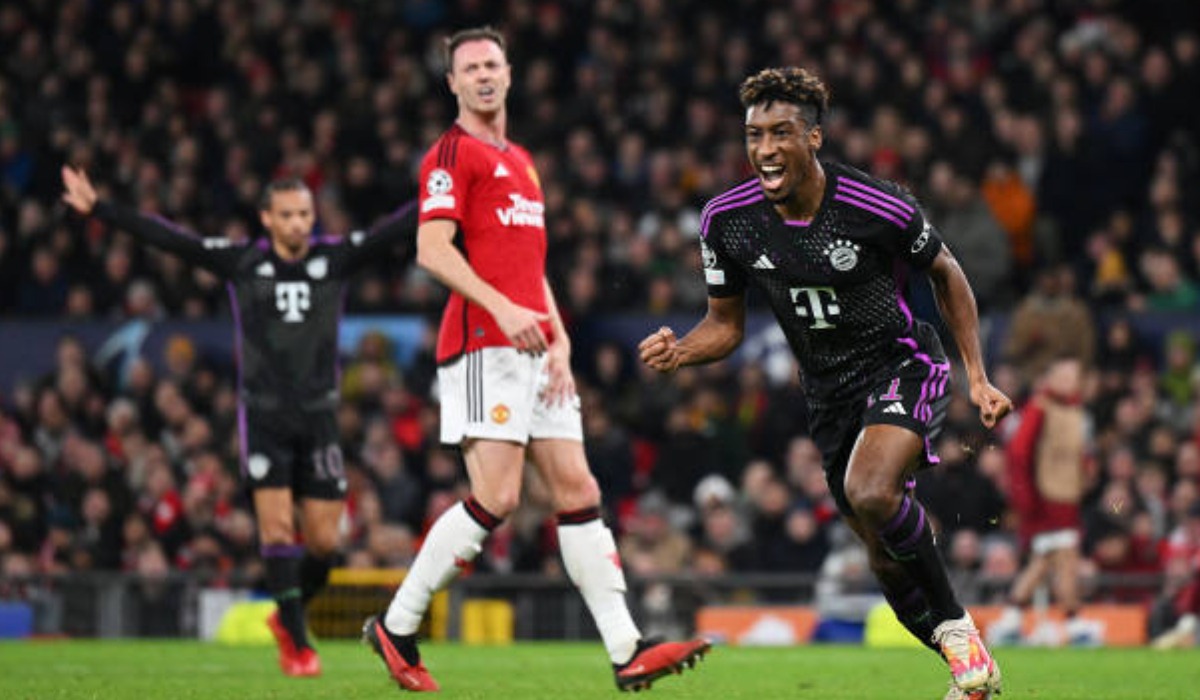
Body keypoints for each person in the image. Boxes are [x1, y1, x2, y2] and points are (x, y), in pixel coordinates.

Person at [638, 67, 1011, 700]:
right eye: (754, 134)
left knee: (869, 491)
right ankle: (971, 670)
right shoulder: (727, 221)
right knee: (883, 562)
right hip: (829, 399)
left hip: (904, 364)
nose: (764, 149)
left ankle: (960, 632)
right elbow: (723, 326)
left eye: (781, 133)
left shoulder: (874, 205)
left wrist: (976, 374)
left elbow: (945, 271)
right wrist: (683, 351)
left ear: (813, 138)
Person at [361, 27, 709, 693]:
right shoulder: (449, 154)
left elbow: (528, 264)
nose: (484, 76)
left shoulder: (521, 160)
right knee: (498, 495)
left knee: (578, 491)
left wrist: (559, 335)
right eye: (471, 68)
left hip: (534, 346)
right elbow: (433, 251)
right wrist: (504, 310)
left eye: (493, 64)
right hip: (482, 344)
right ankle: (397, 625)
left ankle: (628, 648)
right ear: (453, 83)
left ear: (510, 74)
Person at [61, 167, 416, 677]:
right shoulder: (245, 262)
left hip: (319, 417)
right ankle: (297, 643)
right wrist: (101, 209)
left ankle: (285, 617)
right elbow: (172, 241)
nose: (299, 224)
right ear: (267, 218)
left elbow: (394, 229)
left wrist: (456, 194)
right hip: (266, 416)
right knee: (275, 529)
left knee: (324, 543)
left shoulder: (332, 259)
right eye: (288, 215)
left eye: (305, 215)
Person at [989, 356, 1102, 647]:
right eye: (1063, 376)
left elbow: (1078, 451)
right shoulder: (1040, 408)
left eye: (1074, 376)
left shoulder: (1074, 411)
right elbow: (1018, 453)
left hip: (1065, 495)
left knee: (1049, 559)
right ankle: (1073, 623)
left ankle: (1013, 619)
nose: (1069, 382)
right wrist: (1025, 498)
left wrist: (1086, 468)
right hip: (1044, 498)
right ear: (1050, 378)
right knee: (1064, 558)